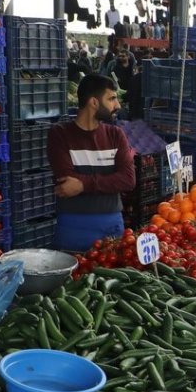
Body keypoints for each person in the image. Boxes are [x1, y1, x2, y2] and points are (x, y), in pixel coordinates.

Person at [47, 74, 136, 252]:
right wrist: (109, 181)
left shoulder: (115, 134)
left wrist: (83, 185)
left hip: (112, 225)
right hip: (73, 226)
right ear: (94, 102)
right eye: (111, 99)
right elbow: (67, 183)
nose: (117, 105)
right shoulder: (60, 134)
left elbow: (128, 180)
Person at [101, 43, 141, 116]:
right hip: (120, 89)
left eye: (123, 56)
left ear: (128, 57)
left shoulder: (132, 66)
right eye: (119, 56)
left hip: (130, 89)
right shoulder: (116, 66)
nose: (121, 58)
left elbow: (134, 76)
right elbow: (112, 74)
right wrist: (116, 81)